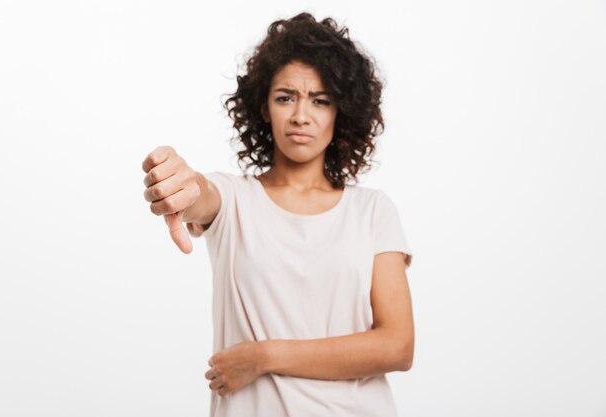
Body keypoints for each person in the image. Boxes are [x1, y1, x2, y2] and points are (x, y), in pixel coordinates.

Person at [142, 12, 414, 417]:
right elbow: (202, 195)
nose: (301, 115)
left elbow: (397, 345)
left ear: (341, 112)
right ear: (264, 107)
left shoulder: (372, 210)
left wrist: (264, 356)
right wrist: (180, 181)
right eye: (286, 97)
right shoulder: (234, 199)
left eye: (320, 101)